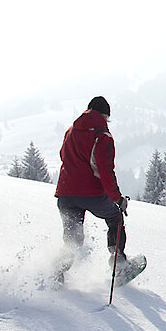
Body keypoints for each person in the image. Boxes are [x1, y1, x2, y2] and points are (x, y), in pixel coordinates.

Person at [55, 96, 131, 276]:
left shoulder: (71, 130)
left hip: (65, 194)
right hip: (91, 194)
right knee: (115, 217)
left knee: (72, 242)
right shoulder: (101, 135)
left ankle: (55, 275)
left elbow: (63, 155)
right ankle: (118, 264)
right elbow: (105, 170)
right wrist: (117, 198)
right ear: (104, 115)